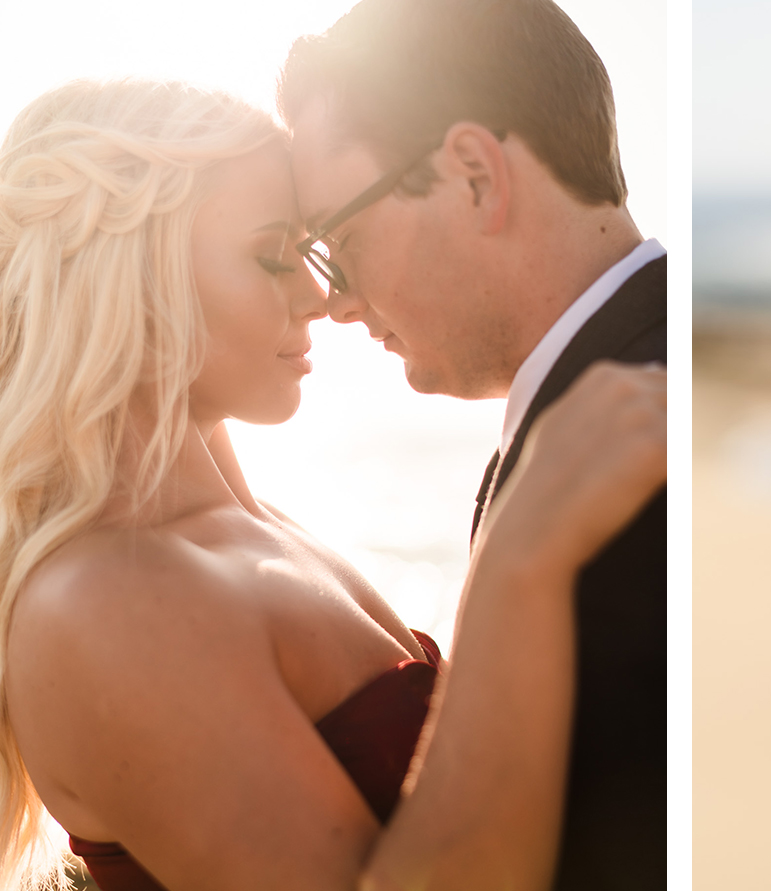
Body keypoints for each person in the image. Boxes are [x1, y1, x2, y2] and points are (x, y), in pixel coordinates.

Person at [0, 78, 662, 891]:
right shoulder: (97, 604)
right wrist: (518, 564)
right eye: (272, 253)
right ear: (130, 274)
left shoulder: (254, 526)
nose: (321, 295)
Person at [274, 0, 667, 887]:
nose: (334, 301)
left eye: (340, 240)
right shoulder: (615, 393)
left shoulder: (634, 461)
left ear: (476, 176)